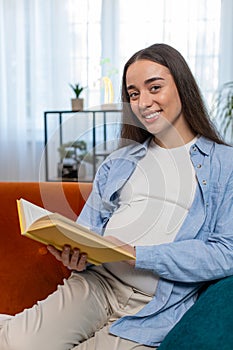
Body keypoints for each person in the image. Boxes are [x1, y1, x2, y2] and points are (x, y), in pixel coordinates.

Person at [1, 43, 233, 350]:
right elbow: (89, 230)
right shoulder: (119, 162)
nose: (143, 102)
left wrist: (137, 253)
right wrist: (76, 253)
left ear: (182, 87)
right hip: (96, 284)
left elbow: (226, 253)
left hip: (152, 306)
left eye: (155, 87)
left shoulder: (224, 164)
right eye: (134, 93)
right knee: (16, 345)